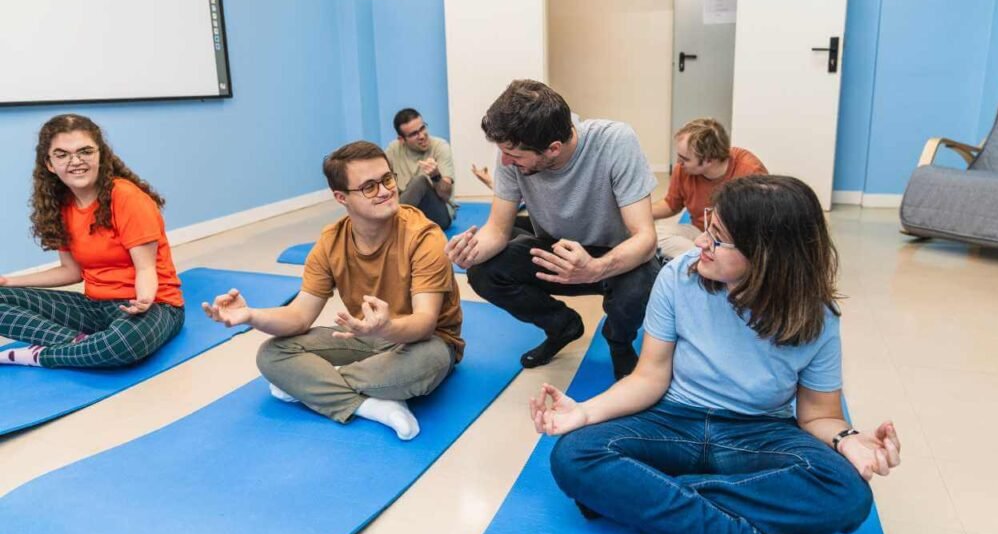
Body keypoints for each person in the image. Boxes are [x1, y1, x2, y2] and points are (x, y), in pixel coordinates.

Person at [531, 175, 901, 534]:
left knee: (848, 497)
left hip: (759, 432)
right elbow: (649, 377)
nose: (700, 242)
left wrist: (846, 437)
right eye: (708, 226)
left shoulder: (817, 316)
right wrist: (584, 412)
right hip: (673, 421)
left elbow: (817, 416)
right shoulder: (678, 277)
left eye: (718, 238)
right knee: (573, 456)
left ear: (768, 255)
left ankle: (644, 495)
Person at [202, 141, 463, 440]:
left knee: (426, 364)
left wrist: (387, 327)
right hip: (366, 338)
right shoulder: (330, 242)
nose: (385, 191)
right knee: (272, 354)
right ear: (341, 197)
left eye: (387, 179)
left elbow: (425, 322)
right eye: (368, 187)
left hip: (425, 342)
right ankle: (373, 405)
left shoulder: (424, 236)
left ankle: (314, 386)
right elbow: (299, 317)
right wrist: (251, 315)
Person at [447, 79, 659, 380]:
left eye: (514, 156)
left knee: (642, 283)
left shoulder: (615, 141)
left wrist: (595, 268)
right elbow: (497, 229)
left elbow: (645, 238)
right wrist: (468, 252)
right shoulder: (512, 148)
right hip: (556, 253)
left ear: (553, 149)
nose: (505, 160)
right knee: (482, 272)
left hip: (616, 258)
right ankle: (563, 326)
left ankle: (619, 341)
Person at [0, 114, 185, 368]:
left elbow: (146, 269)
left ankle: (36, 356)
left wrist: (144, 299)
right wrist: (10, 282)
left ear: (101, 155)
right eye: (62, 154)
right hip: (94, 306)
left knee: (122, 344)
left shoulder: (127, 197)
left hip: (151, 306)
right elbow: (72, 271)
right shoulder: (61, 206)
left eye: (85, 151)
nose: (75, 161)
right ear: (50, 164)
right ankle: (77, 343)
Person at [653, 117, 767, 259]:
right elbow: (671, 204)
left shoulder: (750, 171)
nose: (678, 162)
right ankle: (708, 259)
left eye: (685, 159)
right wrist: (636, 214)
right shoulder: (683, 170)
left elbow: (761, 224)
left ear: (709, 160)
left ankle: (705, 259)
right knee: (653, 235)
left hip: (734, 239)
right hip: (700, 233)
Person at [385, 108, 455, 230]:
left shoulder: (440, 147)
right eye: (413, 134)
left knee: (420, 182)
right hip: (407, 210)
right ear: (401, 139)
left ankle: (389, 228)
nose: (422, 136)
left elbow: (446, 195)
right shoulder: (393, 149)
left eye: (422, 128)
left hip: (438, 214)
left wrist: (436, 176)